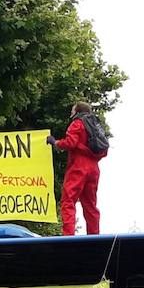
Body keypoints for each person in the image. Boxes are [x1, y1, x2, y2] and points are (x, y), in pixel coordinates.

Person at [47, 101, 109, 236]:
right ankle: (94, 236)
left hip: (78, 166)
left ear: (77, 111)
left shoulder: (78, 123)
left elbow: (71, 143)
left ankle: (68, 235)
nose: (71, 113)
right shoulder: (94, 126)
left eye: (72, 110)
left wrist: (55, 142)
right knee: (90, 204)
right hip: (94, 168)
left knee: (68, 200)